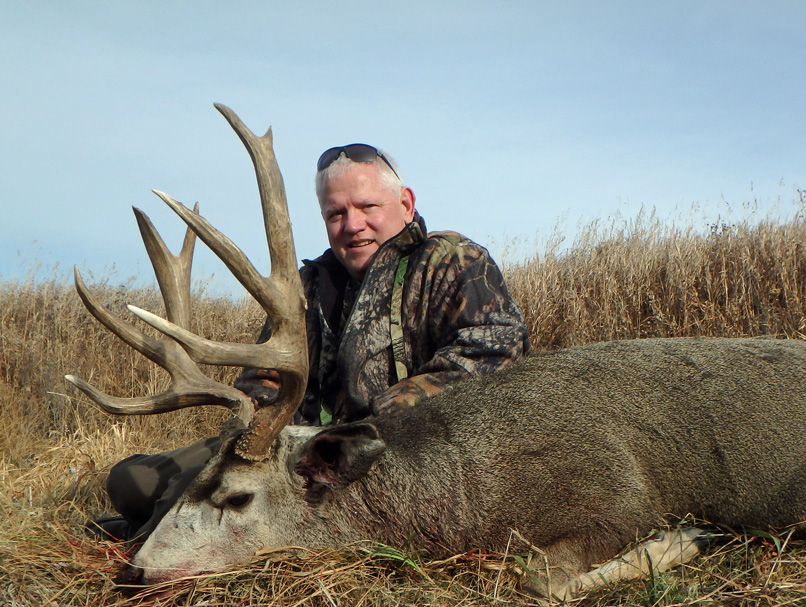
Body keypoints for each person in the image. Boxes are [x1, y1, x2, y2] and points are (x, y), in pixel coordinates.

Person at [92, 143, 530, 541]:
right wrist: (256, 417)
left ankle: (162, 531)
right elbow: (263, 379)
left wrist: (387, 413)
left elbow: (495, 353)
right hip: (295, 449)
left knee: (189, 508)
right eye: (335, 214)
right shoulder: (306, 286)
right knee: (132, 483)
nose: (352, 225)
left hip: (399, 453)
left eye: (367, 206)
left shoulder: (452, 261)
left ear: (406, 204)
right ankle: (162, 521)